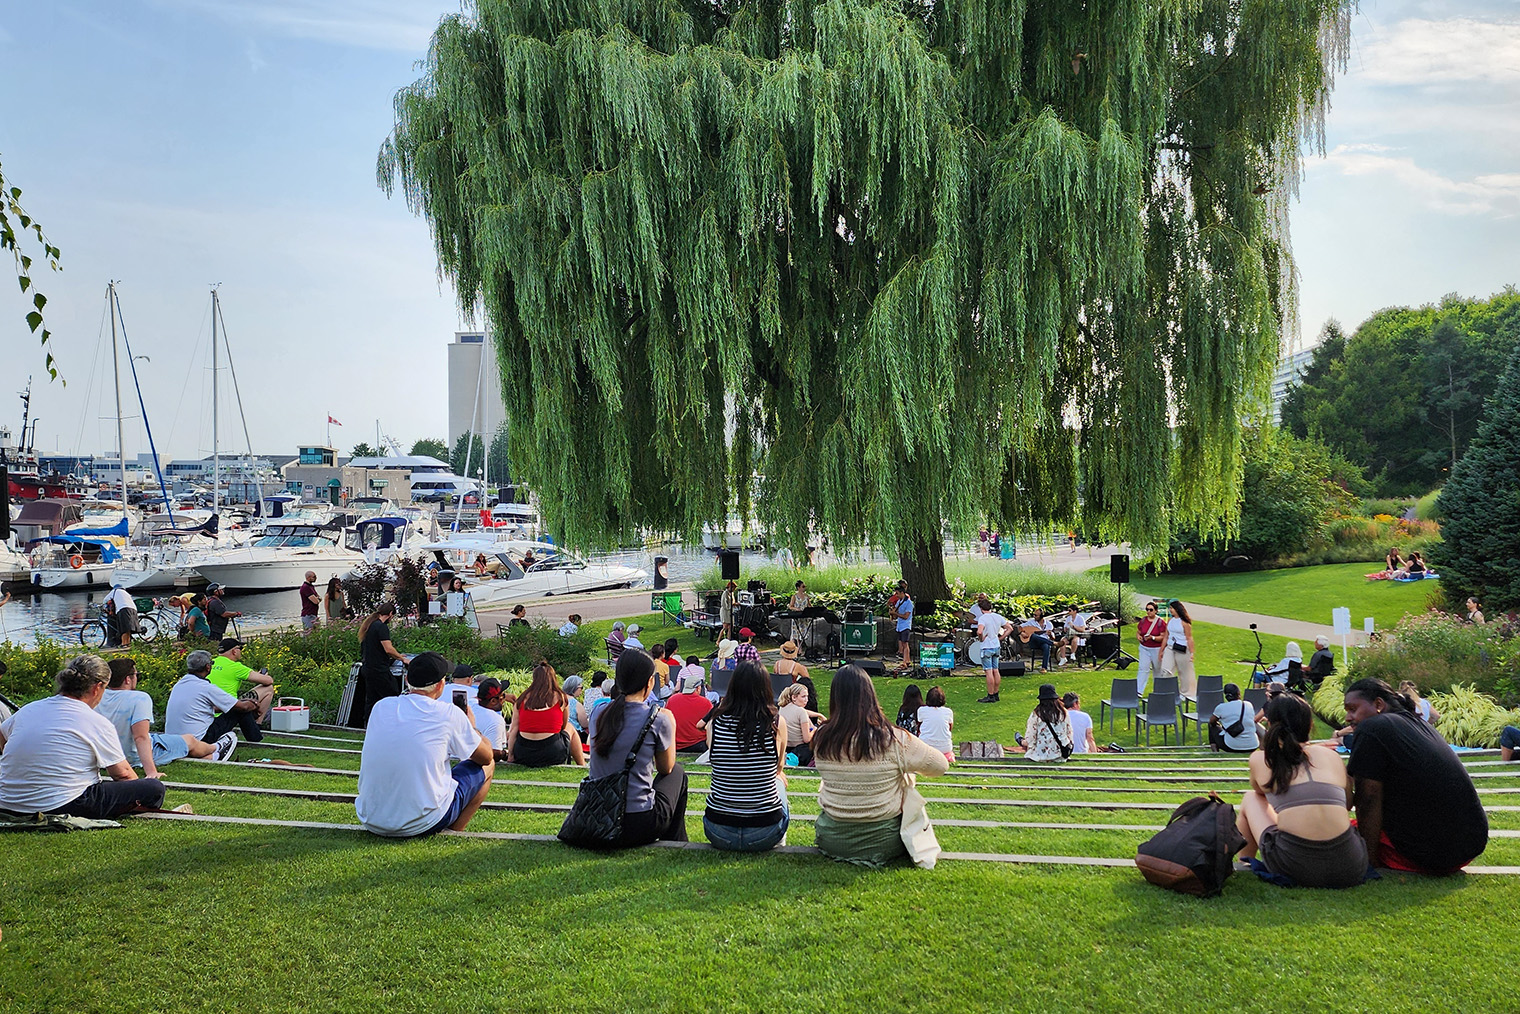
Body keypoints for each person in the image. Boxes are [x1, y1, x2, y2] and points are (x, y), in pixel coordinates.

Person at [1343, 677, 1488, 872]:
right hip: (1468, 846)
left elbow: (1368, 798)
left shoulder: (1372, 728)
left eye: (1353, 709)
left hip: (1428, 854)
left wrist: (1368, 860)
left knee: (1333, 834)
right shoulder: (1418, 723)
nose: (1348, 718)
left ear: (1378, 704)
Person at [811, 664, 949, 867]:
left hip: (832, 838)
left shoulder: (822, 737)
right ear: (870, 695)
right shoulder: (894, 739)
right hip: (883, 841)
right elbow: (940, 765)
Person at [0, 655, 167, 819]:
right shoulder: (95, 721)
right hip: (61, 803)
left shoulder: (30, 709)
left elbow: (2, 737)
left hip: (8, 802)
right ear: (97, 688)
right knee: (153, 788)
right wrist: (136, 790)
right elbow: (123, 774)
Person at [354, 652, 495, 837]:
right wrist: (472, 727)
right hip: (423, 821)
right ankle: (454, 832)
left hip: (371, 818)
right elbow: (486, 756)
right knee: (488, 767)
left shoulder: (382, 706)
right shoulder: (449, 713)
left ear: (406, 680)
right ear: (440, 685)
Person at [1236, 693, 1368, 888]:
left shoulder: (1261, 759)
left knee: (1251, 798)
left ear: (1270, 725)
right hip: (1350, 865)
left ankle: (1243, 864)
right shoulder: (1331, 757)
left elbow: (1260, 792)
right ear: (1309, 725)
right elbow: (1347, 804)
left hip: (1294, 867)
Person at [586, 649, 689, 847]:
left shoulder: (599, 713)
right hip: (638, 823)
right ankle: (676, 841)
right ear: (649, 682)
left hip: (600, 815)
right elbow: (666, 768)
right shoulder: (659, 717)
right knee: (677, 772)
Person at [702, 659, 789, 852]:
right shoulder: (776, 723)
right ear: (766, 687)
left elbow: (715, 757)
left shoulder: (715, 723)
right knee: (779, 782)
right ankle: (780, 841)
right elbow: (778, 767)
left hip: (718, 829)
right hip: (765, 830)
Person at [97, 657, 235, 776]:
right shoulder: (139, 698)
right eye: (136, 674)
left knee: (169, 740)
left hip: (110, 754)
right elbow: (141, 737)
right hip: (135, 755)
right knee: (190, 740)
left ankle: (212, 756)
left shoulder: (98, 697)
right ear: (128, 679)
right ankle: (217, 748)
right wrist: (151, 771)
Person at [163, 649, 257, 742]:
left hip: (173, 738)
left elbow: (201, 708)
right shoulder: (206, 687)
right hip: (199, 738)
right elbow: (243, 707)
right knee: (241, 710)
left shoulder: (179, 685)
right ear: (208, 667)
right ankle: (255, 739)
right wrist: (254, 704)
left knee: (238, 707)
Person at [506, 663, 586, 767]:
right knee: (570, 727)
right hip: (552, 752)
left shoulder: (522, 699)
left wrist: (511, 755)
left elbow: (513, 730)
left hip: (524, 752)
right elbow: (563, 725)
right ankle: (581, 764)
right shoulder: (560, 697)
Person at [354, 601, 407, 728]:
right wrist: (402, 658)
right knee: (392, 695)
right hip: (379, 669)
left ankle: (369, 725)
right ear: (390, 614)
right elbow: (388, 649)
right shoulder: (381, 627)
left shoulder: (369, 626)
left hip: (368, 667)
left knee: (372, 699)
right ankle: (393, 724)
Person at [208, 638, 273, 742]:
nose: (241, 651)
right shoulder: (235, 667)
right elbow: (268, 681)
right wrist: (262, 675)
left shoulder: (209, 664)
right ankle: (257, 724)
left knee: (240, 704)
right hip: (227, 710)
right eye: (240, 648)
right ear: (234, 651)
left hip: (209, 711)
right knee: (268, 689)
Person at [972, 597, 1012, 704]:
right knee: (996, 670)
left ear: (981, 609)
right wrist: (1001, 638)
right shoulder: (998, 617)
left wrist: (981, 639)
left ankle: (990, 695)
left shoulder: (983, 618)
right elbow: (1010, 628)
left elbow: (979, 632)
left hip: (986, 647)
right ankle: (996, 693)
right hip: (996, 645)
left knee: (988, 671)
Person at [665, 670, 714, 753]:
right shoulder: (706, 703)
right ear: (698, 688)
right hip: (698, 744)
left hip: (675, 744)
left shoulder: (672, 700)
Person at [1023, 683, 1072, 763]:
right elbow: (1069, 733)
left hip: (1040, 755)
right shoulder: (1063, 713)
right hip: (1060, 753)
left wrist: (1025, 743)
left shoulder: (1037, 714)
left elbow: (1031, 737)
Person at [1157, 599, 1197, 696]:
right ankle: (1166, 691)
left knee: (1184, 672)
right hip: (1170, 647)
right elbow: (1166, 636)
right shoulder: (1170, 621)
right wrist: (1161, 650)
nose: (1170, 610)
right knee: (1165, 670)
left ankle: (1186, 693)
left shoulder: (1184, 623)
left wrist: (1191, 653)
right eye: (1170, 608)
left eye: (1172, 608)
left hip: (1182, 648)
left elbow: (1189, 638)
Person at [777, 684, 823, 766]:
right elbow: (807, 739)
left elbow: (805, 712)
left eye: (807, 696)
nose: (807, 700)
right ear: (794, 697)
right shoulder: (801, 712)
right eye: (803, 697)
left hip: (786, 747)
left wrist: (818, 715)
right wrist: (815, 729)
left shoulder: (783, 707)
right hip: (801, 749)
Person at [1208, 683, 1259, 753]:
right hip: (1253, 745)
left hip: (1232, 746)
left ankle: (1214, 751)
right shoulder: (1248, 704)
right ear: (1239, 694)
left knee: (1211, 725)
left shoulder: (1221, 707)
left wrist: (1219, 724)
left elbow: (1212, 721)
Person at [471, 678, 510, 761]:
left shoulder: (470, 706)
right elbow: (494, 754)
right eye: (502, 696)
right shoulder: (495, 720)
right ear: (493, 701)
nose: (504, 699)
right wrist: (505, 754)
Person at [1135, 601, 1167, 695]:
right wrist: (1138, 637)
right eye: (1147, 609)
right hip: (1144, 648)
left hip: (1156, 649)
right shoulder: (1143, 620)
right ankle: (1138, 690)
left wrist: (1152, 637)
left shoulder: (1160, 622)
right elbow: (1139, 631)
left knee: (1157, 669)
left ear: (1156, 611)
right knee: (1143, 668)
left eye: (1151, 610)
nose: (1148, 612)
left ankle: (1158, 690)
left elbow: (1163, 637)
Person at [916, 686, 955, 762]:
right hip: (945, 747)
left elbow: (919, 725)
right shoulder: (948, 712)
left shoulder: (922, 710)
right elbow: (950, 728)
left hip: (926, 746)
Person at [892, 581, 914, 671]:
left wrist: (896, 614)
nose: (896, 595)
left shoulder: (909, 603)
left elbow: (906, 616)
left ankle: (905, 661)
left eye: (897, 593)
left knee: (905, 644)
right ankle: (907, 660)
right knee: (902, 642)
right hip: (900, 625)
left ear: (902, 593)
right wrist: (893, 612)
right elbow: (895, 610)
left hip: (905, 626)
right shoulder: (899, 601)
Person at [562, 675, 588, 739]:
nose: (581, 691)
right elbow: (584, 724)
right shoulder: (577, 705)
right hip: (575, 734)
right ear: (574, 688)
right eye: (581, 688)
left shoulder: (558, 700)